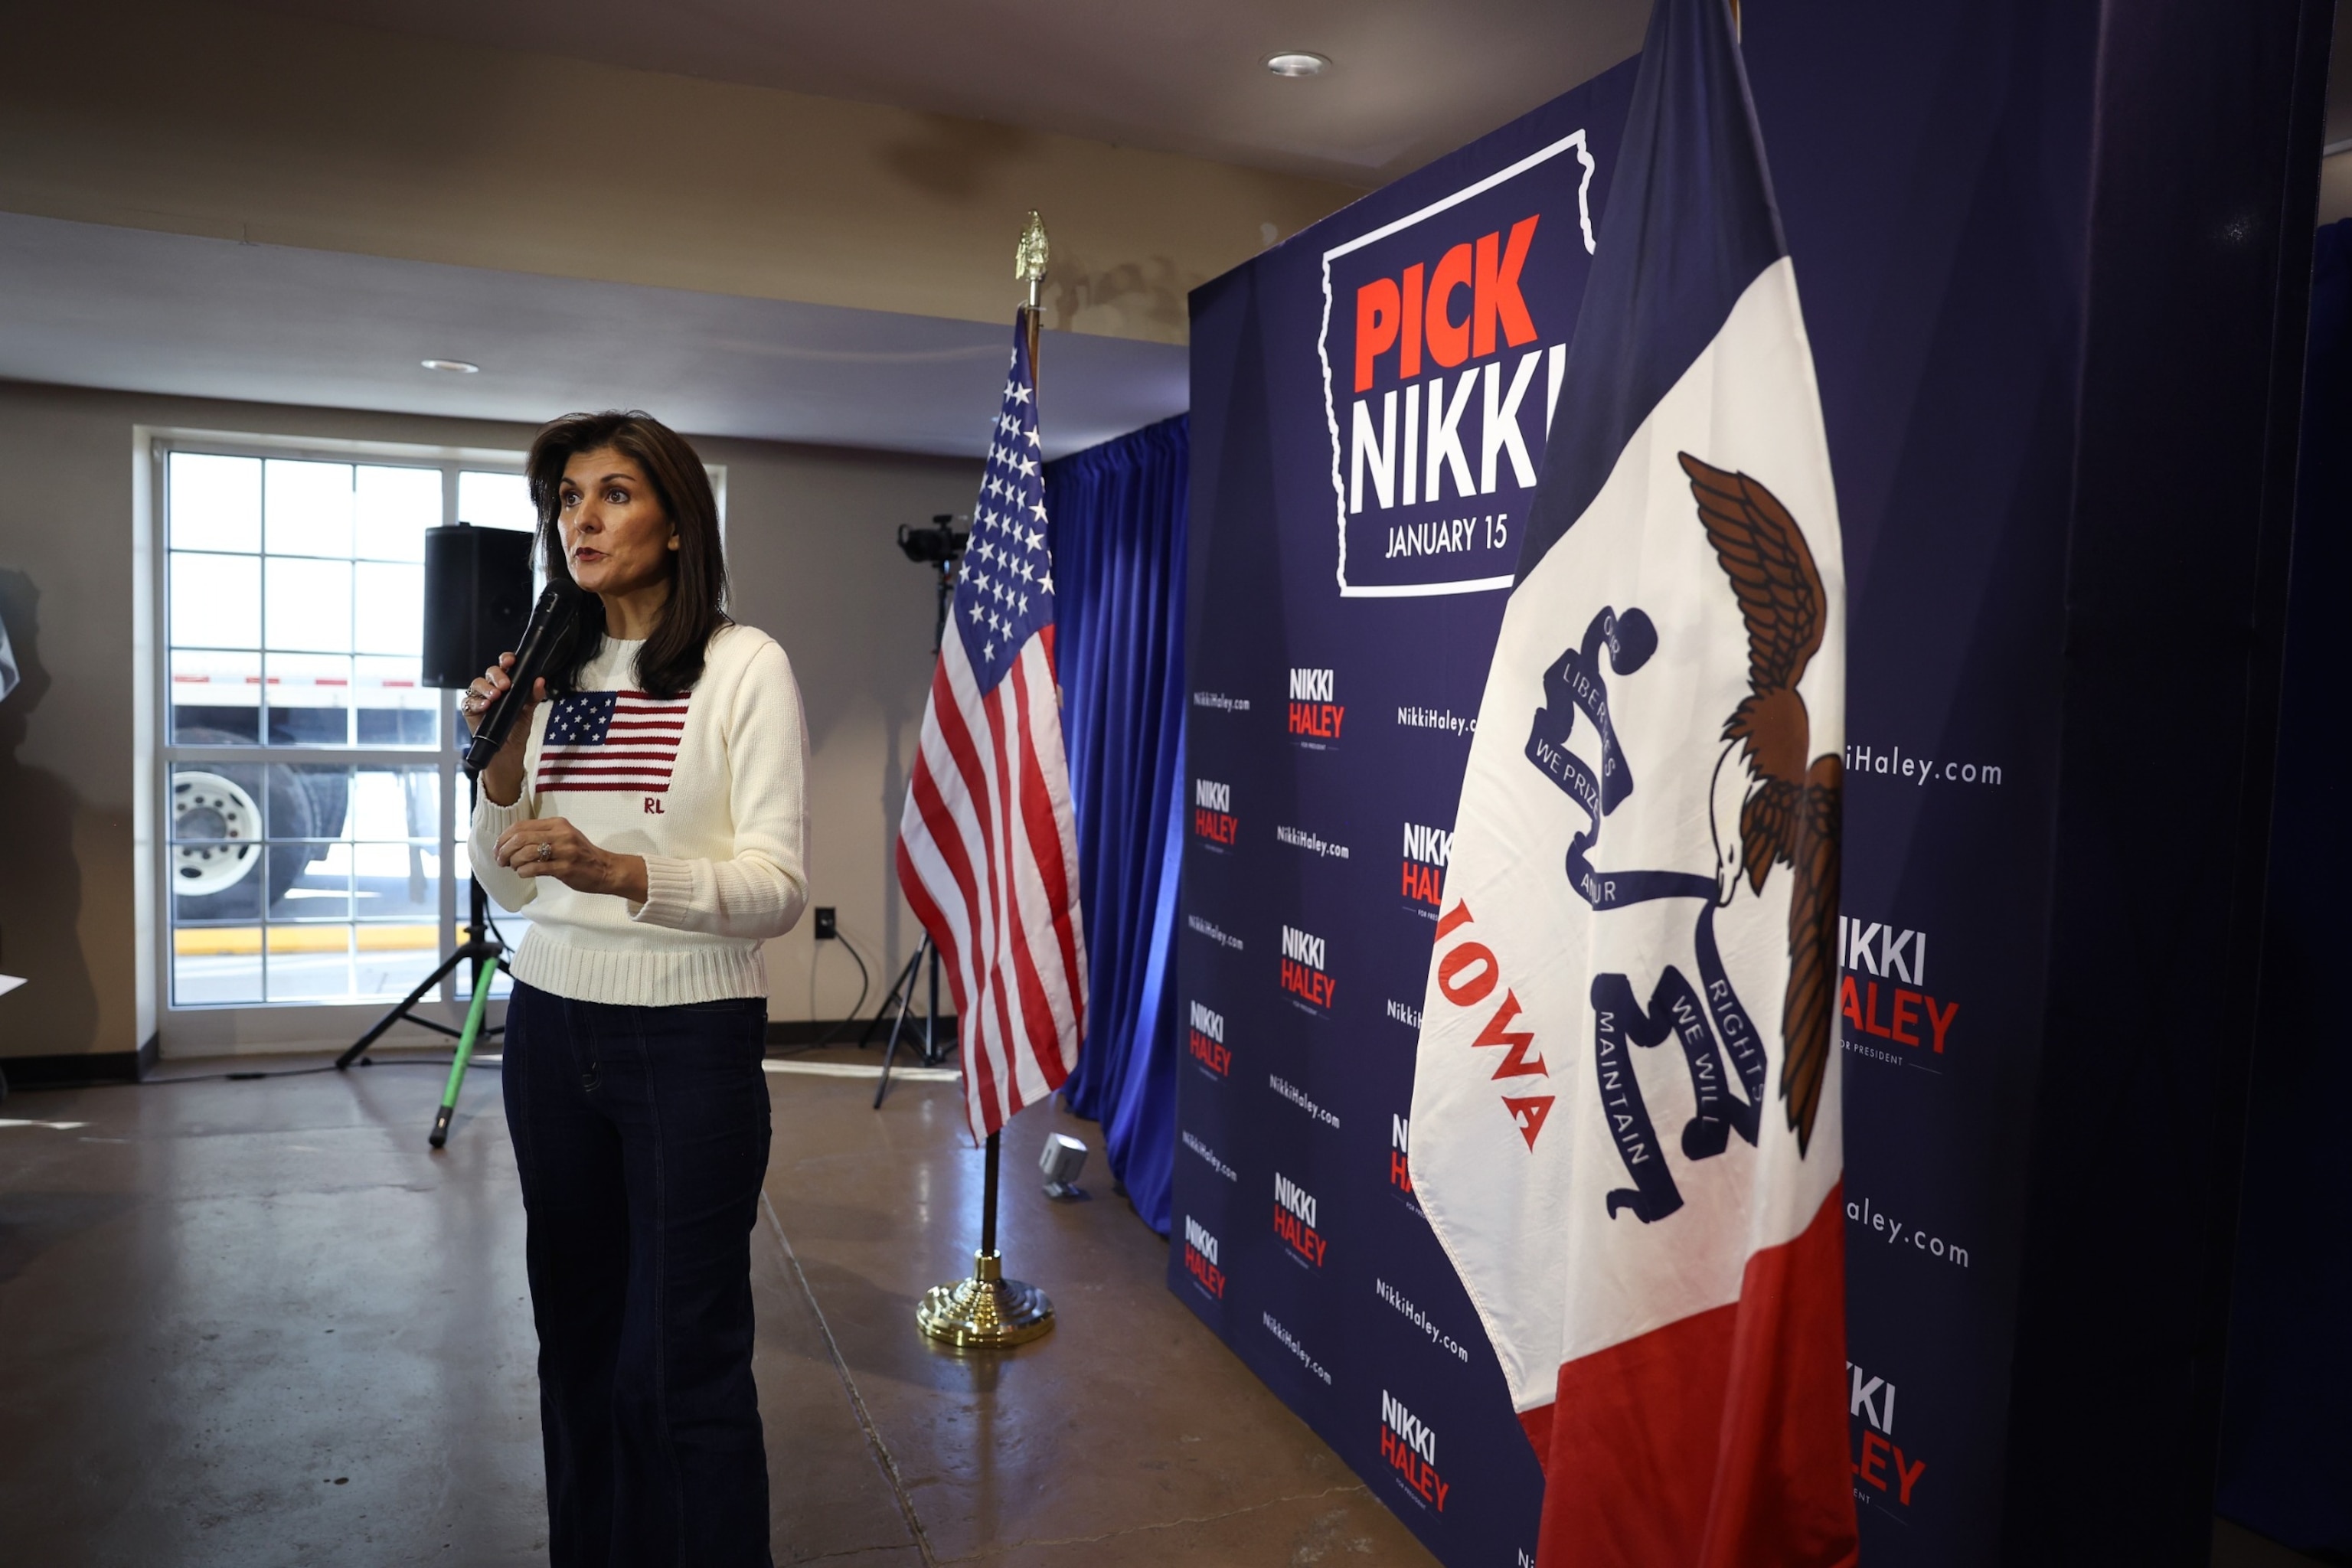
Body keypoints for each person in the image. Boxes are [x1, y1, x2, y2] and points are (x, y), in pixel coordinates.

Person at [463, 410, 806, 1567]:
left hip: (688, 1041)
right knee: (577, 1337)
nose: (584, 519)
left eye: (615, 494)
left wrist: (619, 873)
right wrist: (502, 769)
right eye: (567, 498)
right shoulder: (550, 669)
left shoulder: (743, 663)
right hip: (551, 1031)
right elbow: (501, 887)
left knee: (680, 1356)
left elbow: (776, 886)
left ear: (674, 523)